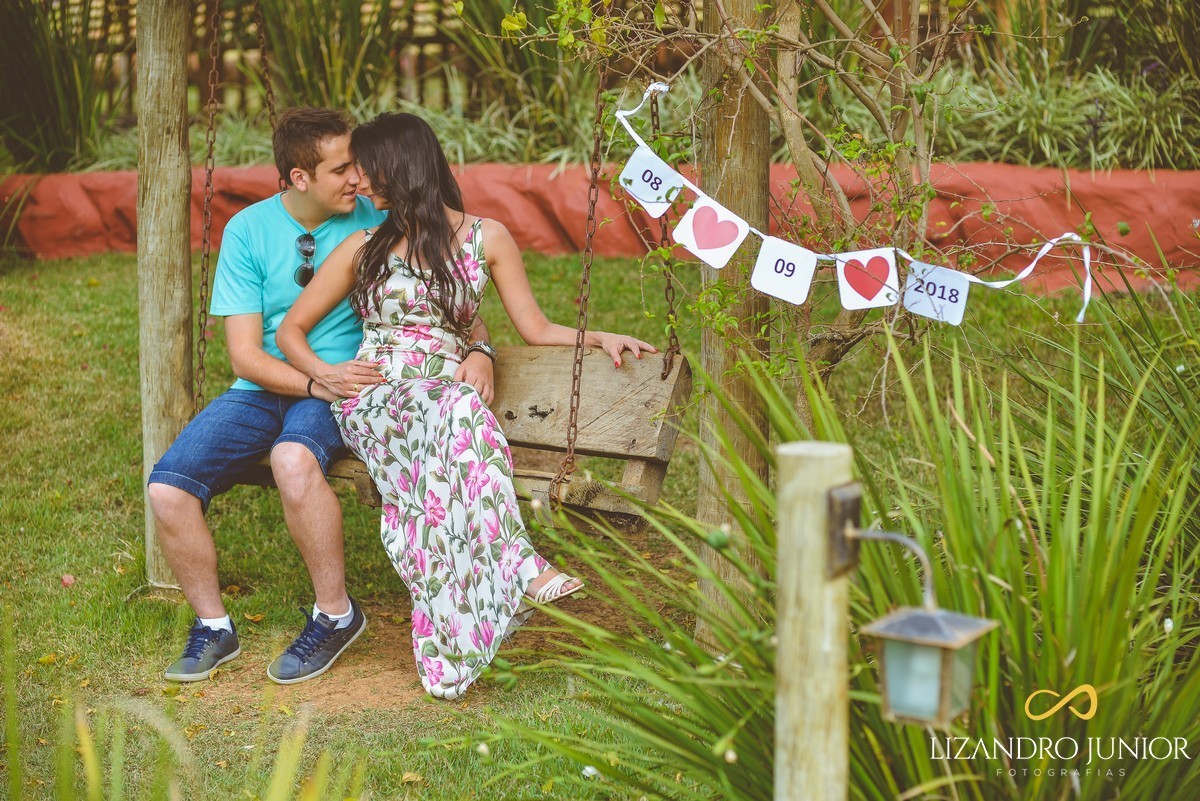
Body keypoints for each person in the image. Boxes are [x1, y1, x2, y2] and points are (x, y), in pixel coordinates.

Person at [276, 112, 657, 699]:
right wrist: (326, 374)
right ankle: (522, 567)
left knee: (455, 413)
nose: (359, 181)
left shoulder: (487, 238)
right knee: (459, 406)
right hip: (377, 401)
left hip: (445, 403)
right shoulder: (362, 246)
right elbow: (290, 331)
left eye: (367, 168)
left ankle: (474, 617)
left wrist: (596, 338)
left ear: (400, 168)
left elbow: (534, 326)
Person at [147, 107, 497, 685]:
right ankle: (213, 626)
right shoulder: (249, 230)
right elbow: (246, 356)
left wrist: (482, 349)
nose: (358, 178)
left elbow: (444, 302)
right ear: (298, 178)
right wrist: (313, 380)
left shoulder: (381, 213)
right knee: (167, 488)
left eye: (359, 166)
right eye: (342, 169)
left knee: (294, 460)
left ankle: (334, 614)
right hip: (268, 386)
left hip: (353, 386)